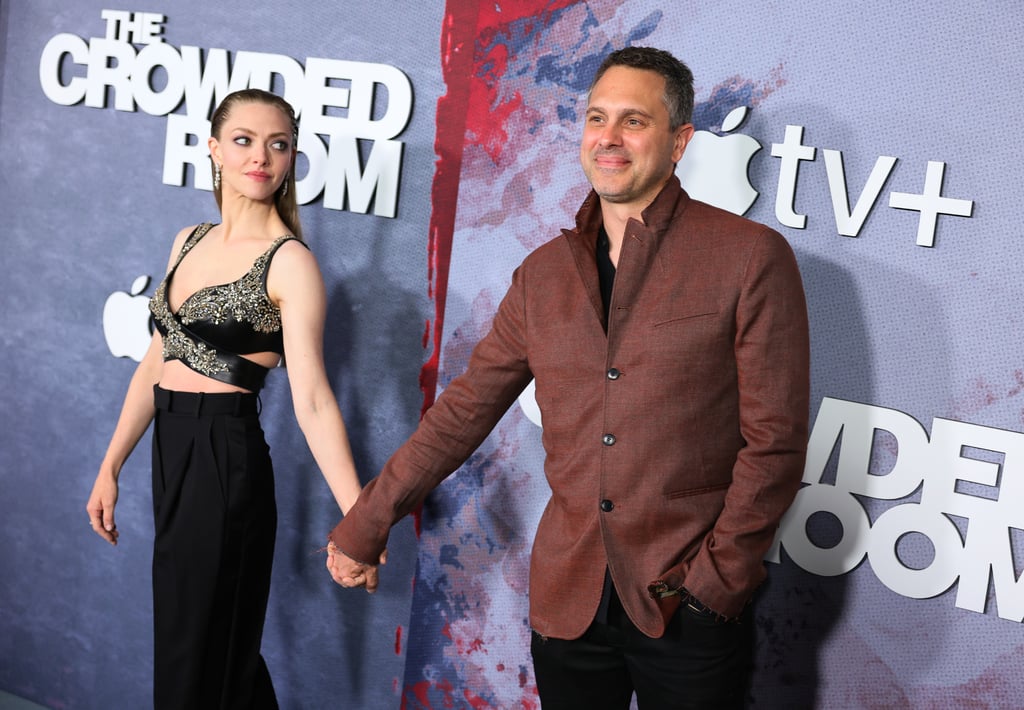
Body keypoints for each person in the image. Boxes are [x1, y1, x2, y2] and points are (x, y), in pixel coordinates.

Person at [327, 46, 810, 709]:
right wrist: (366, 521)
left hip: (686, 608)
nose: (608, 138)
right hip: (567, 607)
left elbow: (775, 442)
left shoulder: (748, 258)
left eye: (633, 121)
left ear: (679, 141)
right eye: (596, 118)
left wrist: (717, 583)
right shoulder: (544, 274)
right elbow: (464, 410)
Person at [87, 88, 365, 709]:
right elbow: (156, 363)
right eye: (243, 140)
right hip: (171, 451)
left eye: (278, 144)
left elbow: (315, 399)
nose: (260, 157)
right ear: (213, 149)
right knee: (190, 643)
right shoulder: (188, 239)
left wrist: (360, 519)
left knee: (210, 653)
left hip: (225, 456)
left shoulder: (289, 263)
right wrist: (110, 466)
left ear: (292, 158)